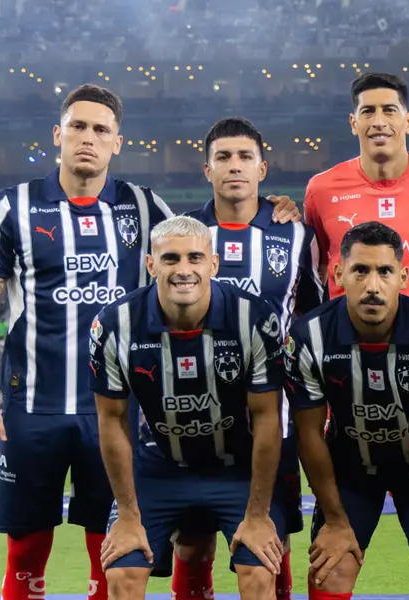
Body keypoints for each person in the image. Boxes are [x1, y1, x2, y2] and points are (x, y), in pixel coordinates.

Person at [0, 84, 175, 600]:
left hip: (115, 412)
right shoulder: (12, 206)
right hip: (32, 409)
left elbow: (200, 250)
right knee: (24, 559)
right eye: (78, 126)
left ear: (117, 142)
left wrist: (273, 207)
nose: (88, 138)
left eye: (100, 129)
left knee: (111, 555)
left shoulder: (145, 208)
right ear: (58, 135)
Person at [169, 117, 327, 600]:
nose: (233, 167)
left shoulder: (294, 235)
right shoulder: (182, 239)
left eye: (243, 157)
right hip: (195, 419)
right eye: (223, 158)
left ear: (262, 167)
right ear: (207, 169)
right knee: (192, 546)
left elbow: (312, 317)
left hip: (271, 422)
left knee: (268, 546)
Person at [89, 215, 287, 600]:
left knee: (259, 569)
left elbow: (267, 419)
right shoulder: (114, 324)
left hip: (237, 471)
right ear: (151, 265)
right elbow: (111, 421)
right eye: (170, 259)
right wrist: (128, 516)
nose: (184, 270)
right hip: (159, 468)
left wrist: (259, 515)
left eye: (195, 258)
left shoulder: (256, 318)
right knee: (122, 572)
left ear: (213, 264)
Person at [285, 222, 409, 600]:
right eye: (360, 271)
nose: (373, 285)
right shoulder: (308, 338)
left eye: (384, 271)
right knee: (330, 570)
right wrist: (335, 521)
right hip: (350, 471)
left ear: (402, 276)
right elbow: (308, 434)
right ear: (338, 274)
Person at [304, 72, 409, 311]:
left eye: (390, 110)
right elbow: (319, 269)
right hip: (347, 341)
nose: (378, 122)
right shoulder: (321, 190)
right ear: (354, 123)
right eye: (368, 111)